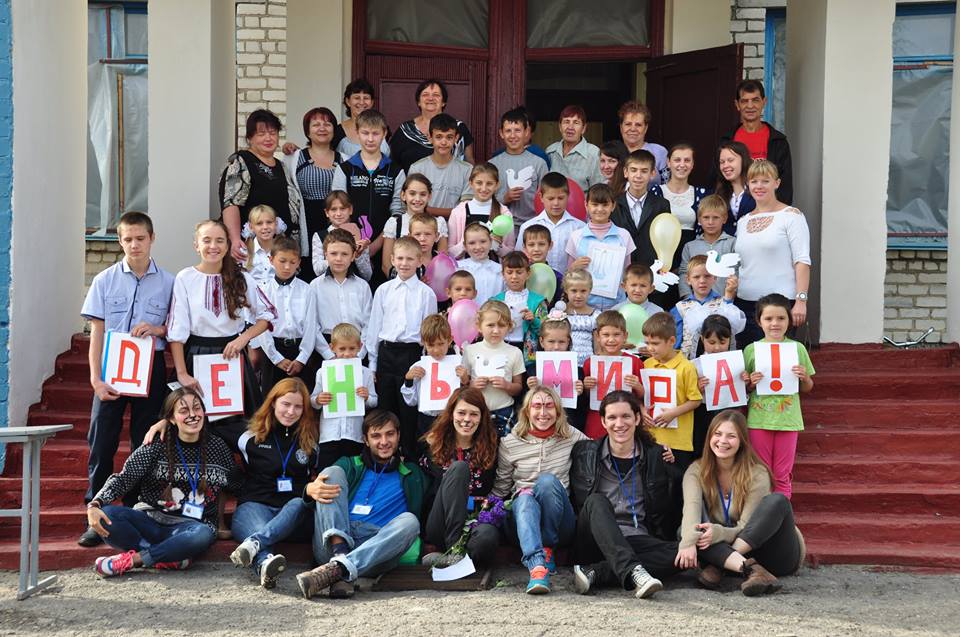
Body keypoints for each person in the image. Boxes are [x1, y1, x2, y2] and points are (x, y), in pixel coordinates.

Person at [78, 212, 174, 547]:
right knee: (102, 441)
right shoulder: (104, 280)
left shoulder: (169, 281)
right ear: (119, 241)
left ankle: (134, 509)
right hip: (112, 370)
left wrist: (157, 328)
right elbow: (97, 334)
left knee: (143, 442)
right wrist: (95, 379)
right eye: (127, 239)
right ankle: (96, 512)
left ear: (152, 238)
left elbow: (176, 329)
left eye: (140, 238)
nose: (134, 244)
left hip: (150, 369)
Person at [86, 388, 239, 577]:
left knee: (204, 534)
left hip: (191, 526)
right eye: (183, 411)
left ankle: (135, 560)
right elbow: (125, 478)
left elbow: (236, 484)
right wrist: (95, 504)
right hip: (150, 520)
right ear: (171, 419)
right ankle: (168, 557)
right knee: (108, 515)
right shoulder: (156, 444)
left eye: (197, 408)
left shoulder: (218, 448)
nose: (192, 415)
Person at [296, 410, 427, 599]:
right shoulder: (350, 465)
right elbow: (317, 494)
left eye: (390, 434)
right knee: (331, 472)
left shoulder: (413, 473)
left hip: (376, 550)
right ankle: (340, 559)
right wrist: (308, 489)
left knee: (410, 522)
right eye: (376, 436)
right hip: (334, 541)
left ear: (398, 436)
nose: (384, 441)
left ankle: (338, 569)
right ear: (365, 440)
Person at [166, 220, 274, 446]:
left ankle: (234, 478)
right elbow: (177, 331)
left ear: (227, 246)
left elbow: (267, 315)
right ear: (196, 245)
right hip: (196, 355)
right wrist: (182, 373)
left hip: (231, 357)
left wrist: (243, 338)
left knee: (237, 425)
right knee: (196, 420)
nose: (213, 246)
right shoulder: (185, 278)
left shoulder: (242, 277)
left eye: (219, 240)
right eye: (206, 240)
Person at [676, 410, 805, 596]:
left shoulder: (757, 473)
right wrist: (687, 541)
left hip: (771, 553)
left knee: (778, 501)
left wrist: (718, 534)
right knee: (686, 531)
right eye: (718, 434)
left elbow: (747, 528)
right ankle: (749, 569)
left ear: (742, 441)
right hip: (734, 556)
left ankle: (720, 566)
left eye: (731, 436)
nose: (722, 441)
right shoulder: (696, 471)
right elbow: (691, 508)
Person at [570, 391, 685, 599]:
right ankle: (635, 572)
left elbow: (680, 487)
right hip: (595, 539)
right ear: (603, 421)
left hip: (637, 537)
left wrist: (669, 460)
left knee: (685, 552)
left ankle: (599, 572)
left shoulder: (655, 455)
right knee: (596, 501)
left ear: (637, 418)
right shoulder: (584, 451)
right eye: (612, 417)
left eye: (626, 416)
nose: (619, 423)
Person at [490, 386, 589, 594]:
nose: (543, 413)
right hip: (523, 520)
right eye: (537, 406)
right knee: (524, 498)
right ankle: (537, 567)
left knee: (546, 482)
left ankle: (547, 547)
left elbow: (599, 449)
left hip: (560, 521)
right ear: (527, 411)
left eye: (549, 406)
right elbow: (501, 487)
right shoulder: (510, 443)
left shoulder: (570, 435)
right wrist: (482, 512)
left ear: (558, 411)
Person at [230, 379, 319, 589]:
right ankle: (264, 565)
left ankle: (255, 542)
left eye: (298, 406)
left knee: (299, 503)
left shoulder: (311, 441)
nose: (291, 411)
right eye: (285, 404)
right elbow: (203, 429)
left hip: (293, 515)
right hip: (255, 506)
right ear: (272, 403)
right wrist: (164, 423)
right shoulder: (248, 435)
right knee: (258, 526)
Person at [364, 236, 438, 458]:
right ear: (392, 260)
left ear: (419, 260)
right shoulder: (383, 291)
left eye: (410, 259)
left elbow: (429, 333)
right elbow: (374, 327)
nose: (404, 263)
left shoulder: (427, 294)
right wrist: (374, 364)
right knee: (385, 408)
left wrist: (426, 363)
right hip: (387, 354)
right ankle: (384, 457)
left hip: (412, 355)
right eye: (400, 258)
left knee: (409, 411)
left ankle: (411, 458)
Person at [419, 387, 501, 569]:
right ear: (451, 414)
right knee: (459, 468)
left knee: (488, 536)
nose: (466, 420)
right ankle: (453, 549)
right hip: (441, 521)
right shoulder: (434, 445)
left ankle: (458, 560)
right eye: (461, 413)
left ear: (482, 417)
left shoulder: (493, 446)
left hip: (475, 519)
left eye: (474, 414)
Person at [743, 294, 815, 498]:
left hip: (788, 420)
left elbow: (808, 387)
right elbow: (744, 388)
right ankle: (761, 518)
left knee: (782, 474)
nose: (775, 323)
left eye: (781, 318)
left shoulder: (798, 348)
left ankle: (780, 518)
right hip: (759, 420)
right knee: (761, 473)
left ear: (789, 320)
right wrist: (751, 382)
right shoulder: (751, 350)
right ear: (759, 321)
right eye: (768, 319)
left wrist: (804, 377)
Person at [734, 160, 811, 347]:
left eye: (765, 181)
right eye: (754, 181)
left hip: (780, 305)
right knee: (750, 362)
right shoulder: (743, 221)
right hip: (745, 303)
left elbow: (802, 261)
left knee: (777, 364)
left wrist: (801, 300)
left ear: (776, 183)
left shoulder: (792, 216)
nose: (759, 186)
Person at [220, 109, 306, 262]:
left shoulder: (281, 166)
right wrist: (234, 239)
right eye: (261, 134)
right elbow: (230, 203)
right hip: (251, 247)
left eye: (273, 133)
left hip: (279, 247)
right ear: (250, 138)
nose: (268, 138)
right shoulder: (241, 162)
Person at [331, 109, 404, 278]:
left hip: (387, 244)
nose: (370, 139)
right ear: (357, 133)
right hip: (351, 246)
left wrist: (378, 244)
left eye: (375, 133)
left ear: (384, 133)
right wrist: (357, 244)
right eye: (365, 133)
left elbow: (398, 212)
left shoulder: (396, 171)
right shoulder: (345, 169)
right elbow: (339, 211)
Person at [283, 107, 343, 279]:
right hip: (305, 221)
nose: (322, 128)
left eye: (327, 124)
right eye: (316, 125)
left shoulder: (344, 159)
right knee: (307, 270)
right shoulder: (294, 158)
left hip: (334, 220)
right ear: (307, 131)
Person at [252, 237, 318, 393]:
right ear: (271, 260)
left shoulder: (307, 290)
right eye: (282, 261)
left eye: (292, 262)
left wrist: (302, 359)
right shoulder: (263, 291)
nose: (287, 267)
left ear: (299, 262)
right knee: (272, 398)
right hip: (273, 350)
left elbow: (311, 326)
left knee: (301, 397)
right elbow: (262, 328)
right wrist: (277, 358)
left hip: (300, 350)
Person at [312, 323, 379, 471]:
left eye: (352, 348)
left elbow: (374, 402)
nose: (347, 353)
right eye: (342, 349)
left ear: (360, 346)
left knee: (352, 472)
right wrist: (318, 400)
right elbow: (313, 400)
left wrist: (367, 397)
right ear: (332, 347)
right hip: (329, 434)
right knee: (327, 472)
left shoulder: (365, 373)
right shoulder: (323, 372)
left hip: (354, 434)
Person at [641, 312, 703, 469]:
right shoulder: (647, 364)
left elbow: (695, 400)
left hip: (678, 440)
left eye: (655, 343)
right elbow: (643, 396)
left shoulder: (687, 367)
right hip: (651, 436)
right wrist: (642, 410)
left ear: (672, 341)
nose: (650, 348)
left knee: (675, 483)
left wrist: (673, 413)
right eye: (647, 343)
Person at [719, 79, 793, 204]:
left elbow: (785, 185)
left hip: (768, 210)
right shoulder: (727, 140)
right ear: (737, 104)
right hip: (733, 211)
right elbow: (717, 179)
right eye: (744, 101)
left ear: (764, 102)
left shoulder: (778, 141)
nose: (750, 106)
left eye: (755, 100)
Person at [459, 300, 525, 437]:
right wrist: (472, 385)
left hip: (504, 411)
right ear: (479, 326)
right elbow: (462, 385)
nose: (496, 330)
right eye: (490, 325)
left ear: (509, 327)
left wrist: (506, 385)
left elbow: (518, 387)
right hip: (475, 411)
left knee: (502, 452)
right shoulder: (470, 351)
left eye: (501, 325)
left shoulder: (515, 352)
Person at [567, 183, 636, 311]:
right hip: (585, 305)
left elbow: (628, 272)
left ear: (613, 206)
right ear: (586, 205)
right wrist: (574, 267)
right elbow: (568, 274)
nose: (600, 209)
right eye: (595, 204)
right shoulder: (576, 236)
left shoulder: (623, 235)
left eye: (605, 205)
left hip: (616, 304)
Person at [311, 229, 373, 364]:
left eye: (344, 254)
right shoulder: (315, 286)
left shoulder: (362, 286)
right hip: (326, 348)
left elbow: (369, 324)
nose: (338, 258)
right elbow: (312, 325)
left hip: (356, 348)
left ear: (353, 256)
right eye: (333, 253)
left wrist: (359, 354)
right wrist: (328, 354)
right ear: (325, 255)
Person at [581, 311, 645, 439]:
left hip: (625, 421)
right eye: (606, 335)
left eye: (616, 334)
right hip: (597, 418)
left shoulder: (635, 362)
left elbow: (644, 396)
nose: (611, 339)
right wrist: (586, 386)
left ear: (625, 336)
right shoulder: (589, 363)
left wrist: (637, 386)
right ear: (598, 336)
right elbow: (587, 397)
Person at [670, 254, 745, 360]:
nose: (702, 281)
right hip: (688, 363)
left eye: (707, 276)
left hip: (717, 362)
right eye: (696, 277)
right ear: (688, 279)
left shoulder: (723, 304)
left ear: (715, 277)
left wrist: (729, 292)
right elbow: (676, 341)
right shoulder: (679, 308)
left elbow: (730, 335)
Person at [390, 79, 475, 171]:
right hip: (413, 184)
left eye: (436, 95)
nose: (430, 98)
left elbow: (469, 161)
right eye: (425, 95)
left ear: (443, 102)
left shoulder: (459, 128)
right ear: (418, 101)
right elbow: (393, 165)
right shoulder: (405, 130)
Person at [402, 314, 465, 436]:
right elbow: (411, 401)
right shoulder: (418, 367)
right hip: (427, 420)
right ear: (423, 343)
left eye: (441, 344)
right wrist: (408, 380)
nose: (436, 350)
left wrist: (465, 379)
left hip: (451, 418)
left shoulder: (459, 364)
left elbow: (466, 396)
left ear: (450, 340)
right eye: (431, 345)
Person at [489, 107, 549, 230]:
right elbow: (484, 199)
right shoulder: (492, 164)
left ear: (526, 132)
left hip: (533, 227)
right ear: (501, 133)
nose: (513, 135)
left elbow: (547, 197)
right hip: (500, 227)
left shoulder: (539, 163)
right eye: (508, 131)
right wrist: (504, 198)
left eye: (517, 130)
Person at [524, 311, 585, 429]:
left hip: (569, 423)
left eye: (561, 342)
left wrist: (580, 393)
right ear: (542, 342)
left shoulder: (577, 372)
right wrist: (529, 389)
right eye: (551, 342)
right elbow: (523, 405)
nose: (556, 347)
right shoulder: (531, 371)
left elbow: (582, 409)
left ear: (568, 342)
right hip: (540, 424)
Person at [611, 150, 671, 269]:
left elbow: (665, 241)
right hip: (620, 269)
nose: (638, 176)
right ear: (625, 172)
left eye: (644, 171)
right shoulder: (614, 203)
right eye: (633, 170)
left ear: (652, 173)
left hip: (651, 270)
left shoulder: (661, 205)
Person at [517, 172, 586, 274]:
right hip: (535, 284)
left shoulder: (579, 227)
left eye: (561, 198)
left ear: (568, 196)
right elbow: (519, 259)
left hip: (568, 285)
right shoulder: (528, 226)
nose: (556, 203)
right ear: (541, 197)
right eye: (551, 198)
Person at [381, 174, 449, 277]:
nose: (417, 199)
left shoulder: (438, 222)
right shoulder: (395, 223)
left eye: (422, 194)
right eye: (412, 194)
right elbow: (386, 265)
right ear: (403, 195)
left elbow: (442, 260)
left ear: (429, 196)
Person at [650, 143, 709, 258]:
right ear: (668, 162)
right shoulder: (656, 192)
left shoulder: (701, 194)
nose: (682, 165)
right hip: (662, 258)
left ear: (692, 164)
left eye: (687, 160)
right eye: (677, 160)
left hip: (692, 257)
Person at [410, 113, 473, 219]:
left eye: (449, 137)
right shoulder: (417, 168)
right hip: (423, 230)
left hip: (455, 230)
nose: (444, 142)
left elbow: (465, 210)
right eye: (438, 137)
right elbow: (410, 206)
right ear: (430, 137)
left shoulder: (467, 170)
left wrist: (426, 209)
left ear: (456, 138)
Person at [447, 162, 515, 259]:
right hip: (465, 270)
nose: (484, 188)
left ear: (497, 185)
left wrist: (498, 246)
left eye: (489, 184)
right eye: (479, 183)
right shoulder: (458, 212)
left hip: (494, 270)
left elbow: (511, 253)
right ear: (471, 183)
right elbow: (450, 252)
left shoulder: (504, 214)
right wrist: (465, 244)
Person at [692, 314, 737, 457]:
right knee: (701, 445)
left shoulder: (736, 363)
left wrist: (745, 381)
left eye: (722, 342)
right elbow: (686, 394)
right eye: (711, 342)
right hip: (702, 411)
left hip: (726, 410)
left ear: (730, 340)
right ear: (702, 339)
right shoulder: (694, 365)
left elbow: (742, 391)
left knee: (724, 446)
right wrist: (697, 388)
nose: (717, 347)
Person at [492, 251, 548, 361]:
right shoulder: (496, 301)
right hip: (501, 349)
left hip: (528, 353)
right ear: (503, 274)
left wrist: (533, 320)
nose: (514, 276)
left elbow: (546, 331)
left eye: (519, 272)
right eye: (509, 272)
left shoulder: (538, 301)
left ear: (528, 273)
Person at [679, 195, 737, 298]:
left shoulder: (732, 243)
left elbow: (736, 272)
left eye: (715, 217)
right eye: (706, 217)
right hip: (696, 304)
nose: (710, 222)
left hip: (725, 302)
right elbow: (684, 274)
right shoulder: (690, 247)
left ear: (724, 219)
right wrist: (688, 298)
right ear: (699, 220)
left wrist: (729, 297)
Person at [311, 191, 373, 281]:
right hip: (328, 286)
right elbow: (317, 270)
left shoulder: (360, 235)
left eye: (343, 208)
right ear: (326, 212)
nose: (338, 213)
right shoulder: (320, 236)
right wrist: (336, 258)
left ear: (350, 210)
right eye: (333, 209)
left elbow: (367, 275)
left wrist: (359, 256)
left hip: (354, 287)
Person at [545, 105, 603, 191]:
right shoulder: (550, 151)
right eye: (566, 122)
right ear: (560, 127)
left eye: (576, 123)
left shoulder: (594, 154)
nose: (570, 127)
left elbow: (599, 192)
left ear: (583, 128)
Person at [332, 79, 391, 158]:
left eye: (366, 98)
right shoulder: (337, 131)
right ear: (348, 101)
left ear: (372, 102)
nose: (362, 102)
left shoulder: (383, 129)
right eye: (357, 98)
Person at [615, 101, 668, 184]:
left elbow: (668, 185)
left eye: (638, 125)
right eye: (628, 124)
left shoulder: (659, 152)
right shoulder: (612, 151)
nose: (633, 129)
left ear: (646, 128)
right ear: (621, 127)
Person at [556, 268, 599, 367]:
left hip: (588, 365)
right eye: (574, 291)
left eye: (583, 291)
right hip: (563, 365)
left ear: (590, 290)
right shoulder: (559, 313)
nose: (578, 295)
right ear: (566, 290)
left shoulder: (595, 316)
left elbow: (598, 347)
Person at [456, 222, 504, 304]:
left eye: (483, 241)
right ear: (465, 245)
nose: (478, 247)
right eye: (472, 243)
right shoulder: (458, 268)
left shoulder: (500, 270)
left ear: (490, 242)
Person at [715, 141, 755, 234]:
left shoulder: (757, 190)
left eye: (730, 160)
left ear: (743, 160)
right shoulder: (717, 193)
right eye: (722, 162)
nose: (725, 166)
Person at [520, 224, 563, 306]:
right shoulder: (519, 274)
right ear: (524, 247)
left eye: (541, 244)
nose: (536, 249)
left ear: (550, 245)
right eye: (531, 245)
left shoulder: (557, 277)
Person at [243, 204, 280, 287]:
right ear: (251, 227)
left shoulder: (283, 250)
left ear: (276, 223)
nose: (265, 227)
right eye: (259, 223)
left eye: (269, 222)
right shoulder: (244, 252)